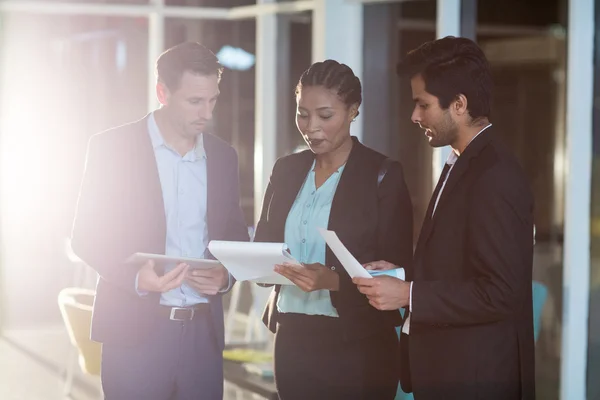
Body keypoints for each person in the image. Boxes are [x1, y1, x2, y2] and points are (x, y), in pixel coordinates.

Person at [353, 36, 535, 400]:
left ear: (459, 104)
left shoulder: (494, 173)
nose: (415, 116)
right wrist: (403, 276)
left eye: (423, 104)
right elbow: (460, 266)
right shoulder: (463, 161)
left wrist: (408, 293)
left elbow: (500, 292)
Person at [71, 42, 249, 399]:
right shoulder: (112, 148)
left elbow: (233, 236)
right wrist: (138, 278)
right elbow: (86, 236)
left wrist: (225, 274)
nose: (206, 113)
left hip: (203, 339)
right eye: (194, 102)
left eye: (212, 100)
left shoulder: (223, 157)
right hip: (135, 334)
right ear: (162, 93)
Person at [253, 59, 414, 399]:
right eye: (302, 114)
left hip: (359, 345)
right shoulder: (286, 170)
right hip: (293, 335)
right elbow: (265, 243)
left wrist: (332, 280)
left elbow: (400, 269)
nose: (311, 127)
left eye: (326, 116)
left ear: (353, 111)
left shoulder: (382, 174)